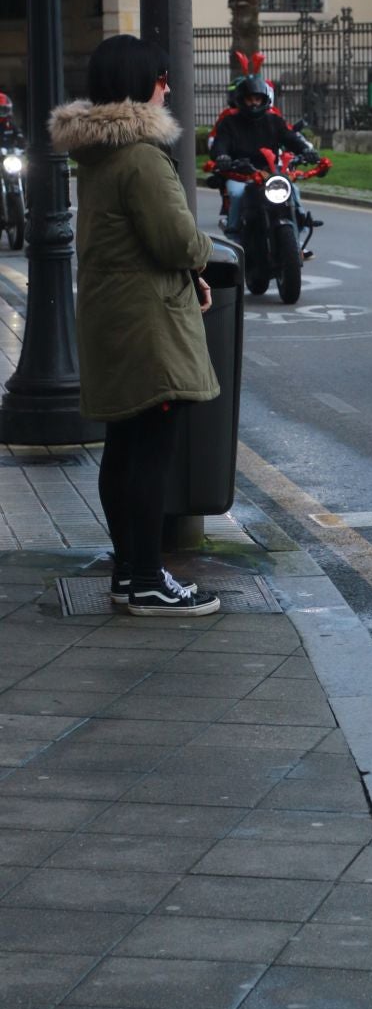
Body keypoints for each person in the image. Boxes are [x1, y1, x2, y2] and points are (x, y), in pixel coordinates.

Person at [50, 36, 222, 617]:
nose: (168, 85)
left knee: (124, 450)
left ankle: (129, 572)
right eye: (161, 76)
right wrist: (202, 255)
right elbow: (175, 239)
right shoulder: (143, 156)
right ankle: (148, 578)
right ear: (139, 81)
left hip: (112, 314)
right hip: (149, 323)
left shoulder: (98, 154)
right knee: (150, 452)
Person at [209, 64, 318, 237]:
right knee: (236, 195)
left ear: (264, 100)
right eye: (250, 99)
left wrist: (306, 150)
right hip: (240, 173)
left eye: (257, 99)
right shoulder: (229, 122)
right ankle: (234, 235)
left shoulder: (274, 121)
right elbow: (220, 143)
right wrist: (222, 156)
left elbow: (290, 138)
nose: (254, 103)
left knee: (292, 190)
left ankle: (298, 229)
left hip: (270, 173)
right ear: (241, 99)